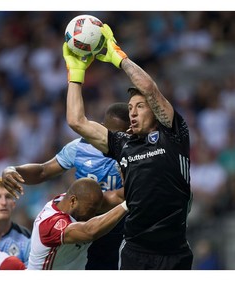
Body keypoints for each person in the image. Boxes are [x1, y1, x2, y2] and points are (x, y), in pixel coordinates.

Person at [63, 23, 194, 270]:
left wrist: (117, 56)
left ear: (155, 112)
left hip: (174, 250)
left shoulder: (174, 134)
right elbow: (76, 121)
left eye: (140, 107)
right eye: (130, 108)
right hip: (135, 249)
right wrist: (75, 72)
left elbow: (149, 89)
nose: (132, 113)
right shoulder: (123, 143)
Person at [2, 102, 130, 270]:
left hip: (114, 227)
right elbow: (43, 171)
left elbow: (118, 197)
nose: (119, 140)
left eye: (125, 135)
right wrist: (13, 170)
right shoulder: (80, 148)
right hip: (79, 225)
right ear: (102, 128)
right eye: (115, 134)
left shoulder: (136, 153)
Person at [27, 177, 128, 270]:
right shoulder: (50, 224)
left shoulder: (83, 200)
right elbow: (89, 232)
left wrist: (139, 187)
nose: (93, 215)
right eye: (91, 210)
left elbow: (118, 197)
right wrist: (126, 205)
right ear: (73, 201)